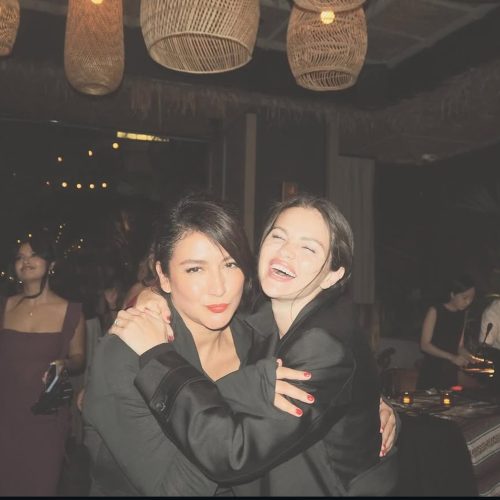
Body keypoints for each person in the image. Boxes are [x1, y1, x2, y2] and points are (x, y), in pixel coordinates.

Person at [109, 193, 397, 496]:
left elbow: (230, 451)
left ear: (333, 275)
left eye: (308, 248)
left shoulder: (322, 344)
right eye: (278, 236)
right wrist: (154, 295)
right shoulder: (261, 319)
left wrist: (157, 356)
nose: (286, 252)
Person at [0, 232, 86, 496]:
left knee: (41, 486)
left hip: (45, 419)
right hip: (5, 415)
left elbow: (79, 359)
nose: (25, 261)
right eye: (19, 257)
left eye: (34, 255)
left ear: (51, 264)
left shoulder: (71, 311)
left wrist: (64, 363)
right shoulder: (5, 307)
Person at [417, 274, 476, 390]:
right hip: (432, 370)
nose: (468, 302)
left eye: (471, 298)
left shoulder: (463, 314)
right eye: (465, 298)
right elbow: (425, 345)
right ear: (452, 294)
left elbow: (459, 346)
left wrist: (472, 358)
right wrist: (452, 357)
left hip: (450, 372)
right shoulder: (435, 310)